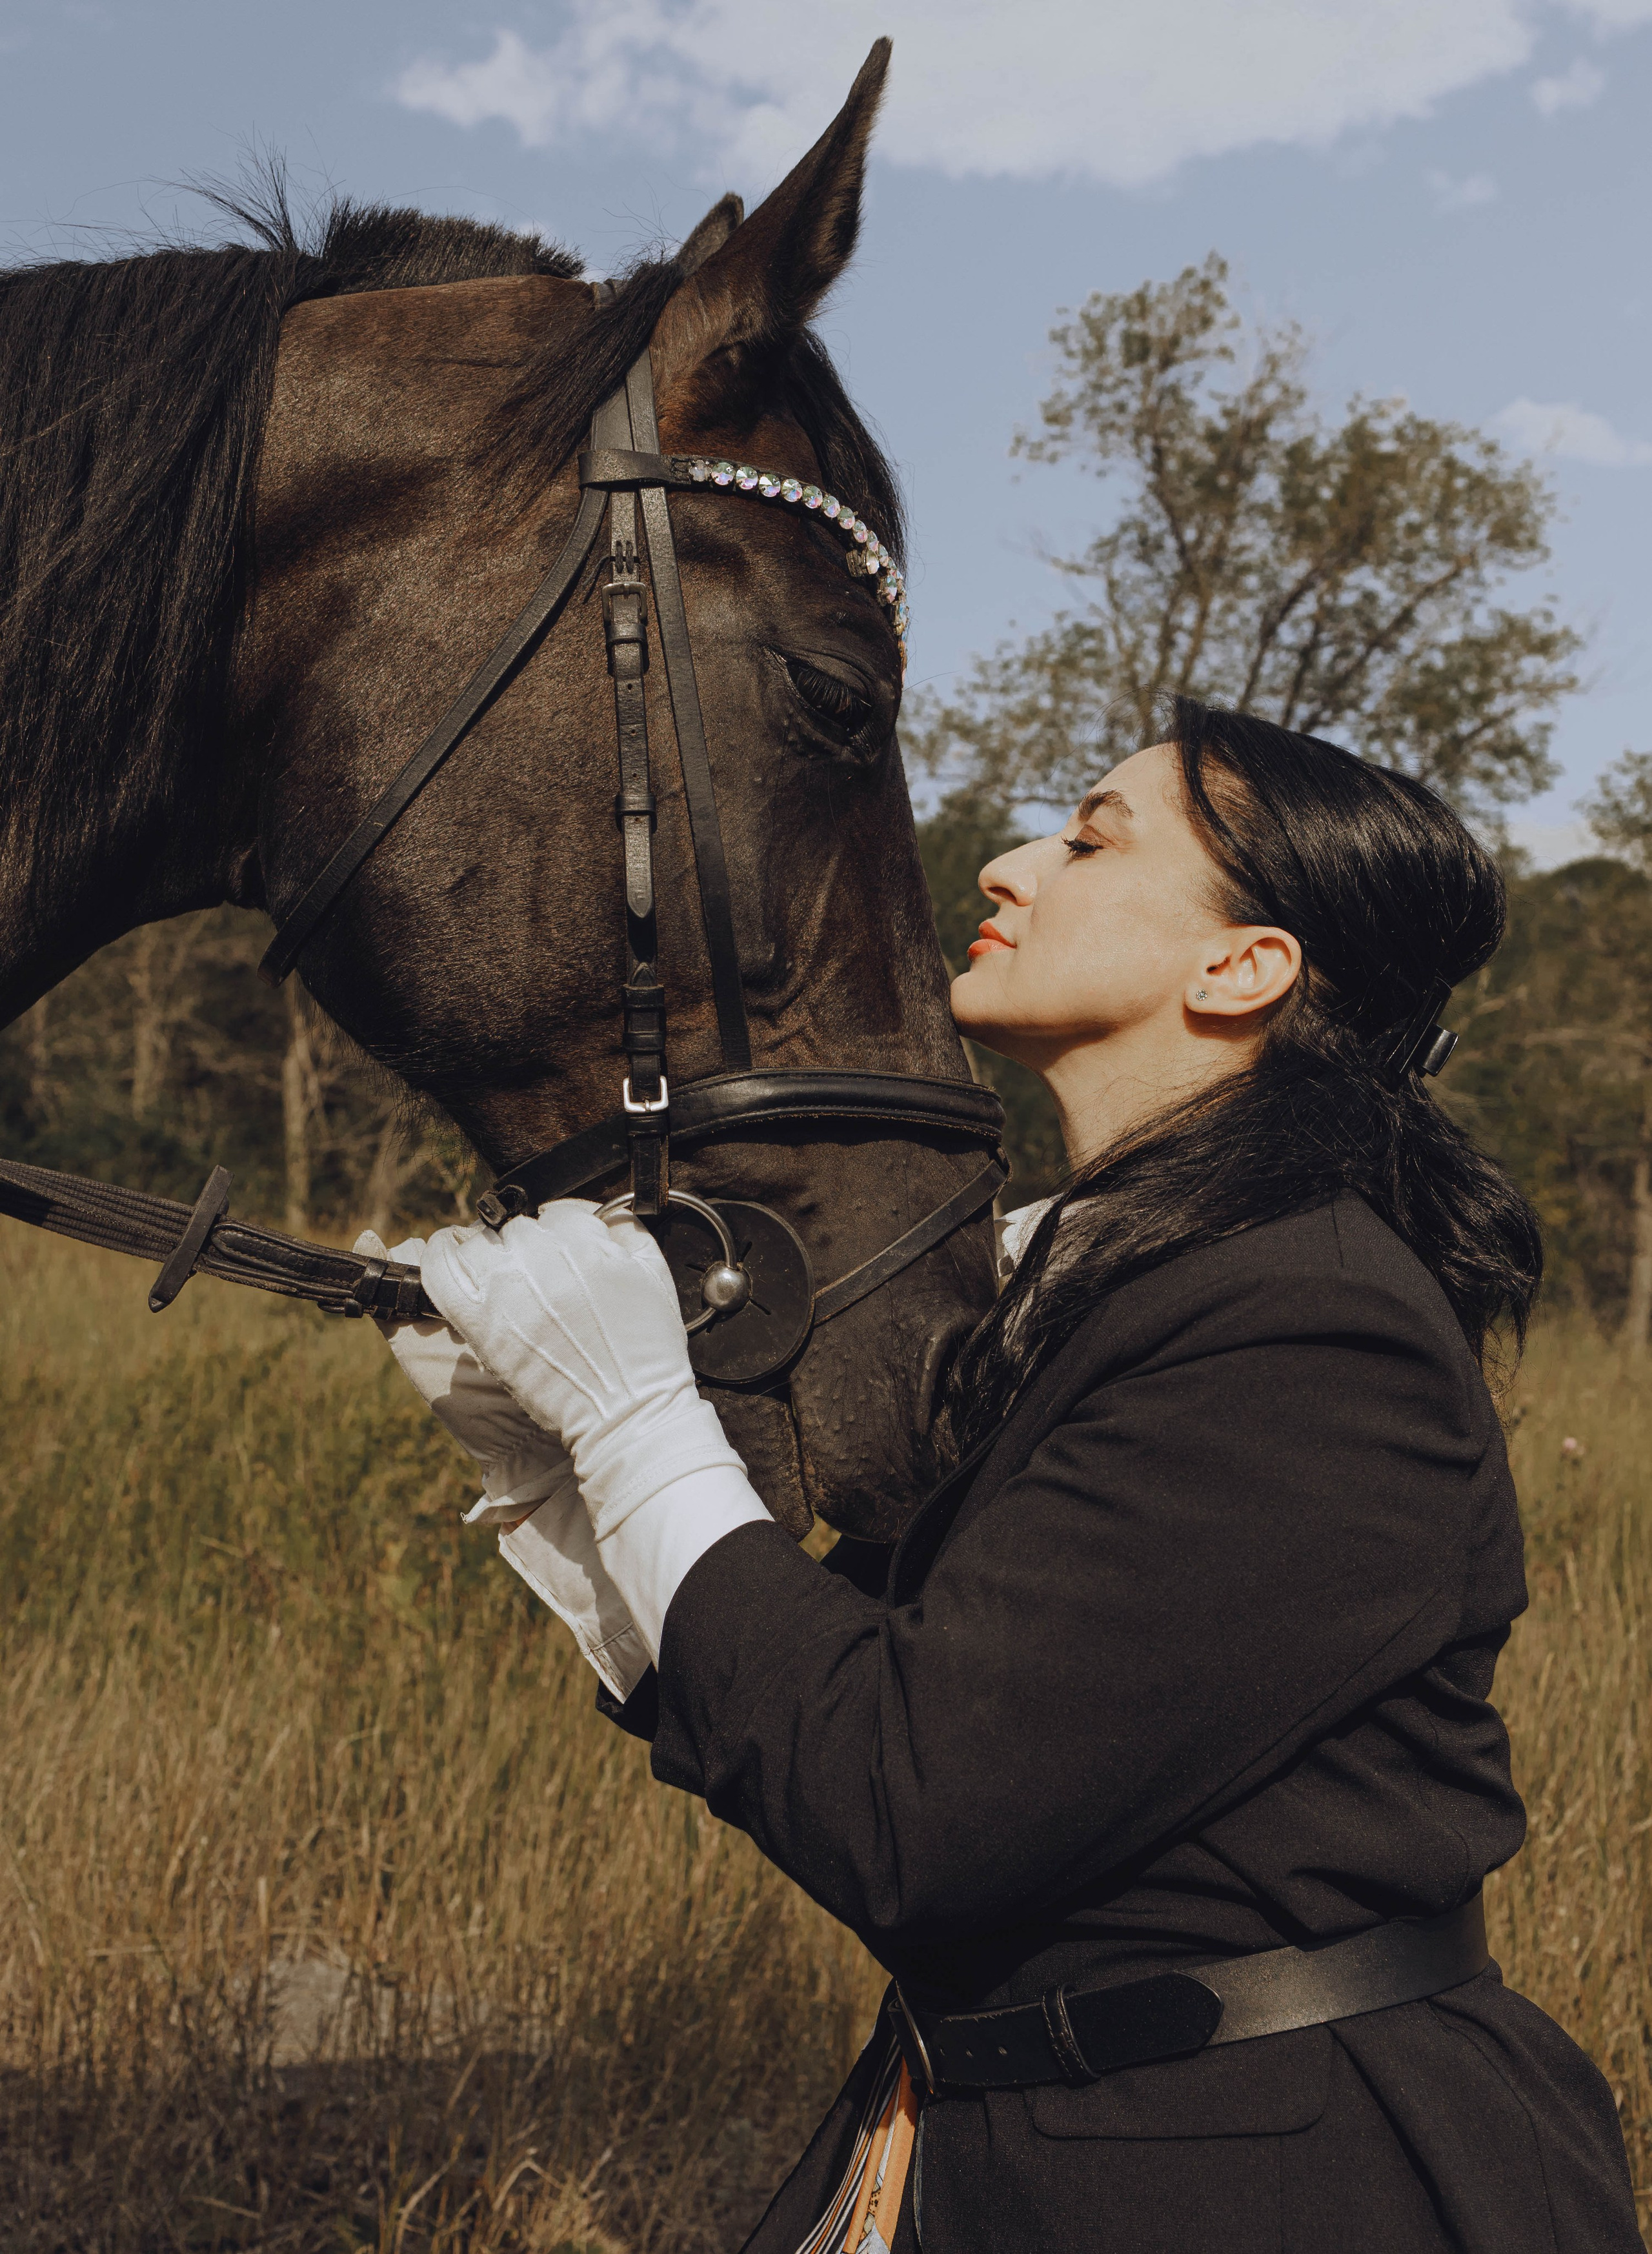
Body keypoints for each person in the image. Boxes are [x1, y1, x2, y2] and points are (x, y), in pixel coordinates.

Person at [365, 699, 1643, 2253]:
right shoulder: (1145, 1289)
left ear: (1241, 968)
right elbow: (852, 1713)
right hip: (1019, 2141)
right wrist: (569, 1484)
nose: (1007, 860)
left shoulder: (1308, 1323)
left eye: (1089, 837)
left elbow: (900, 1810)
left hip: (1265, 2178)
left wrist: (640, 1422)